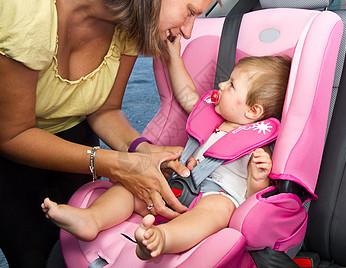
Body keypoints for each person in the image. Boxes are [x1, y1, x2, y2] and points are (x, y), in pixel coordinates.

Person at [0, 0, 225, 266]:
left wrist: (141, 150)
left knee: (76, 248)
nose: (187, 31)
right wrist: (114, 164)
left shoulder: (133, 13)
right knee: (31, 254)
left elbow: (105, 109)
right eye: (190, 12)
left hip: (73, 135)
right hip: (9, 142)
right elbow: (13, 135)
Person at [41, 35, 291, 260]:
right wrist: (174, 57)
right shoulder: (211, 114)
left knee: (217, 211)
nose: (222, 85)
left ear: (253, 111)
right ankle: (92, 219)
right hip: (178, 184)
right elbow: (185, 94)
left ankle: (160, 238)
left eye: (232, 85)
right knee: (133, 184)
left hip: (216, 197)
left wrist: (257, 177)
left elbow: (252, 197)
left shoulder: (258, 145)